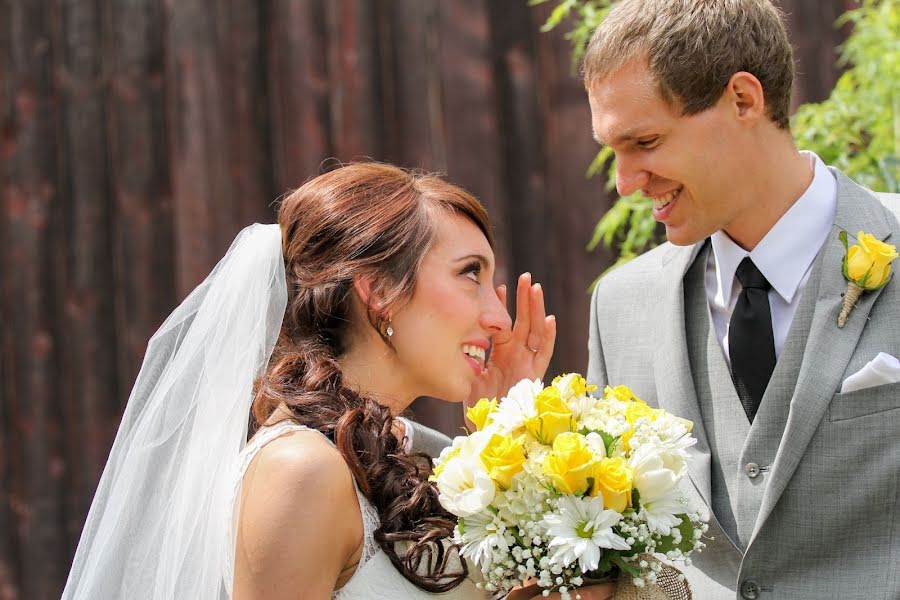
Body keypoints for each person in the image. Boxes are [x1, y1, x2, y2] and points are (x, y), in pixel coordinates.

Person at [61, 162, 616, 600]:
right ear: (378, 289)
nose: (498, 319)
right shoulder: (299, 470)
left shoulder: (407, 454)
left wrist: (506, 434)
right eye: (470, 273)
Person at [582, 1, 900, 598]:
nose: (624, 183)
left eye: (645, 141)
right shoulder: (617, 307)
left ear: (744, 100)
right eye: (612, 150)